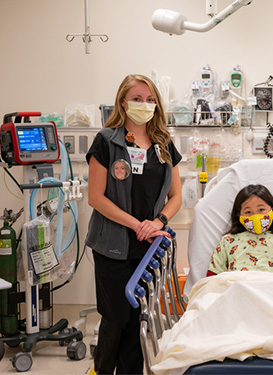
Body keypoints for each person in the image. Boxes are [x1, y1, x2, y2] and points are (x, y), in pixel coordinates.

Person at [86, 74, 182, 375]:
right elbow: (95, 198)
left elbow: (176, 196)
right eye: (138, 99)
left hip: (147, 248)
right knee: (115, 319)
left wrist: (158, 222)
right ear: (123, 102)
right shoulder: (106, 141)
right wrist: (137, 224)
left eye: (151, 100)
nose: (145, 105)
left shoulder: (163, 143)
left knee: (138, 321)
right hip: (112, 245)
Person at [207, 184, 273, 283]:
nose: (256, 217)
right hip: (239, 291)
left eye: (261, 210)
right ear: (239, 214)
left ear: (272, 210)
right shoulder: (228, 241)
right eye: (248, 212)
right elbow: (213, 277)